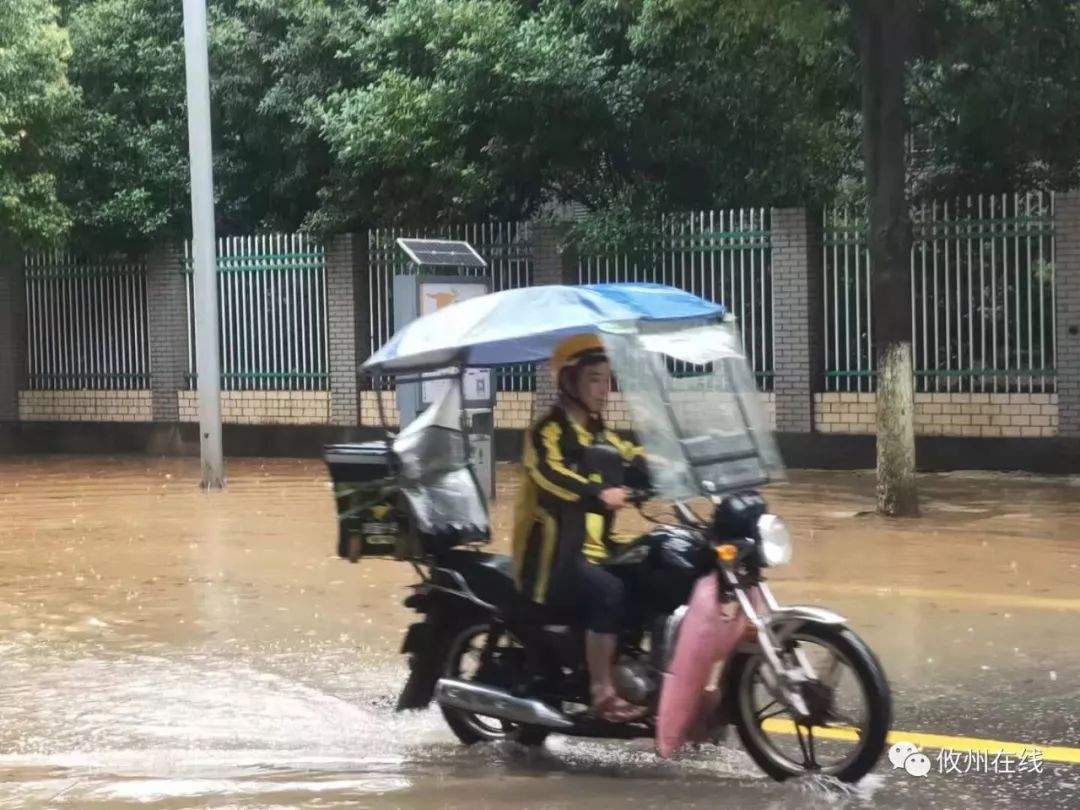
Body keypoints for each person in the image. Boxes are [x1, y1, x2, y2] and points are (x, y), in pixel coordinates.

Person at [511, 334, 650, 722]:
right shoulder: (547, 429)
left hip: (593, 545)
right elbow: (549, 474)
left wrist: (668, 465)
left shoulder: (598, 430)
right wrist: (597, 493)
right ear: (570, 382)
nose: (604, 389)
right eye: (594, 379)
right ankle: (603, 693)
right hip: (553, 552)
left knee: (649, 572)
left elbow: (630, 455)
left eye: (607, 380)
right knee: (608, 592)